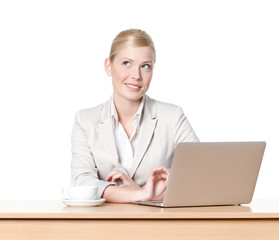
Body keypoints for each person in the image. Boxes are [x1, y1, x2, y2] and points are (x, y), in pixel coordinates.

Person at [70, 29, 199, 203]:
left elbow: (199, 176)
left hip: (160, 225)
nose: (136, 75)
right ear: (108, 66)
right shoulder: (85, 120)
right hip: (103, 225)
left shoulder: (172, 117)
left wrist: (142, 192)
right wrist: (141, 195)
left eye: (145, 66)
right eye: (126, 63)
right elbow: (81, 182)